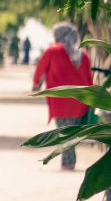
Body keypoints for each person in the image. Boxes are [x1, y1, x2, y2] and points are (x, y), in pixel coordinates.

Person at [33, 23, 92, 171]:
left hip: (60, 99)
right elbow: (89, 78)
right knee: (71, 131)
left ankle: (68, 163)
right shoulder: (82, 53)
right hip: (80, 100)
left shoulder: (53, 50)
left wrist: (35, 84)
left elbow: (40, 67)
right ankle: (69, 161)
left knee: (64, 133)